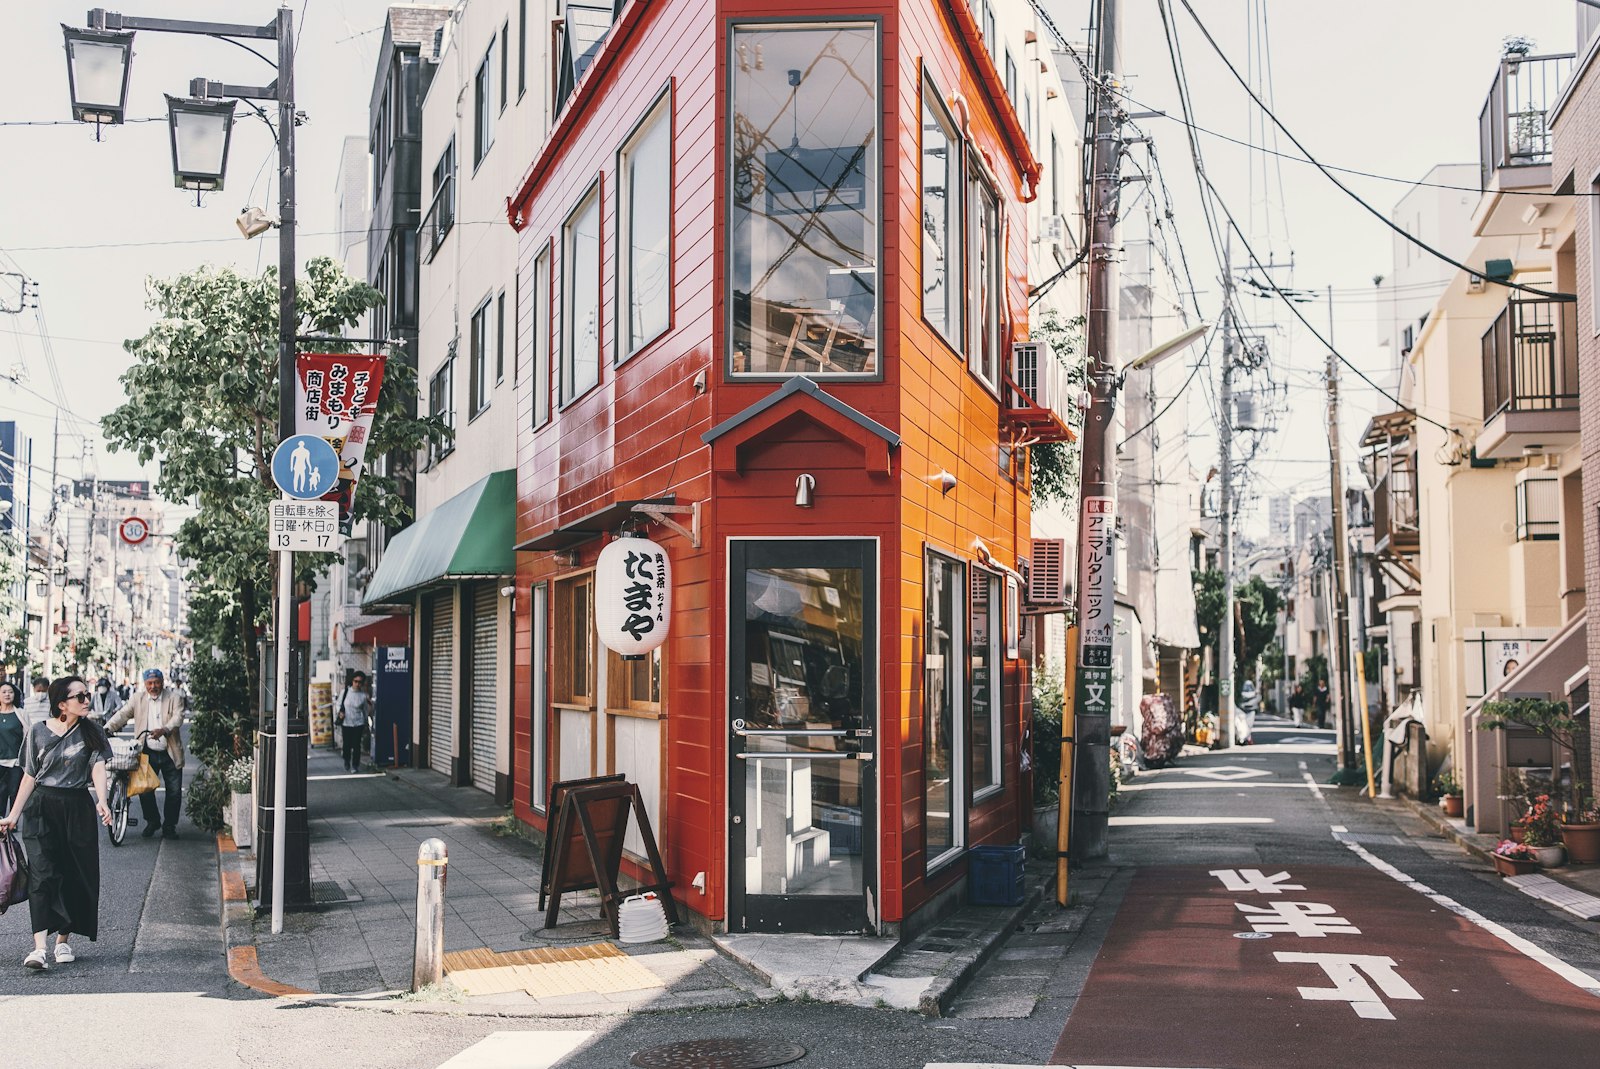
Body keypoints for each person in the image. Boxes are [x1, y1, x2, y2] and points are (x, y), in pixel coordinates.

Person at [0, 675, 113, 970]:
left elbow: (98, 767)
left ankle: (63, 941)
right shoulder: (37, 732)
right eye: (80, 697)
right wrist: (13, 815)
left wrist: (102, 799)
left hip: (77, 807)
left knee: (74, 873)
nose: (87, 700)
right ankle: (39, 948)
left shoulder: (93, 731)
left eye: (87, 695)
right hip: (41, 807)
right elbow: (28, 775)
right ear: (62, 704)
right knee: (42, 874)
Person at [105, 668, 187, 840]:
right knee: (144, 790)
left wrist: (164, 729)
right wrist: (107, 728)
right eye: (149, 683)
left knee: (173, 792)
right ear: (145, 684)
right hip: (146, 751)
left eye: (156, 682)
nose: (153, 686)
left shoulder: (174, 698)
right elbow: (123, 714)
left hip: (169, 751)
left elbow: (178, 718)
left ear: (162, 682)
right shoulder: (138, 699)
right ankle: (153, 821)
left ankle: (169, 826)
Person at [338, 672, 373, 773]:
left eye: (360, 682)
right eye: (355, 681)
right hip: (346, 722)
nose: (357, 684)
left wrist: (366, 721)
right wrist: (340, 713)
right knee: (347, 745)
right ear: (352, 681)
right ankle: (346, 760)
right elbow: (338, 704)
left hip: (358, 722)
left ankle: (355, 765)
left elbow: (366, 710)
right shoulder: (345, 692)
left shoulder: (363, 696)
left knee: (356, 745)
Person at [0, 682, 23, 819]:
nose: (7, 694)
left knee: (14, 791)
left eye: (10, 692)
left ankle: (12, 820)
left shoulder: (21, 714)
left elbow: (29, 736)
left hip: (16, 760)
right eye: (4, 692)